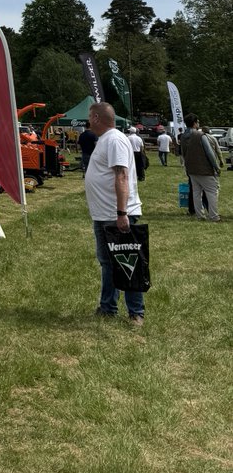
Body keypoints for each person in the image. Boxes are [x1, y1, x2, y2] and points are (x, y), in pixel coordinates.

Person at [84, 101, 145, 325]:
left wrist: (122, 213)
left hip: (116, 214)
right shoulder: (104, 140)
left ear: (98, 118)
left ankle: (136, 312)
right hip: (103, 215)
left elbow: (122, 176)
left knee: (127, 262)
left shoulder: (115, 140)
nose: (88, 120)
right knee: (108, 263)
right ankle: (108, 307)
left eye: (91, 116)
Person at [179, 113, 221, 222]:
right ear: (194, 123)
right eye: (198, 122)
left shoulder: (183, 136)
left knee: (196, 193)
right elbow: (210, 153)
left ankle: (200, 215)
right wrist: (216, 167)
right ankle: (214, 216)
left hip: (191, 169)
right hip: (204, 169)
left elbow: (183, 153)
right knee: (212, 192)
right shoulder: (200, 135)